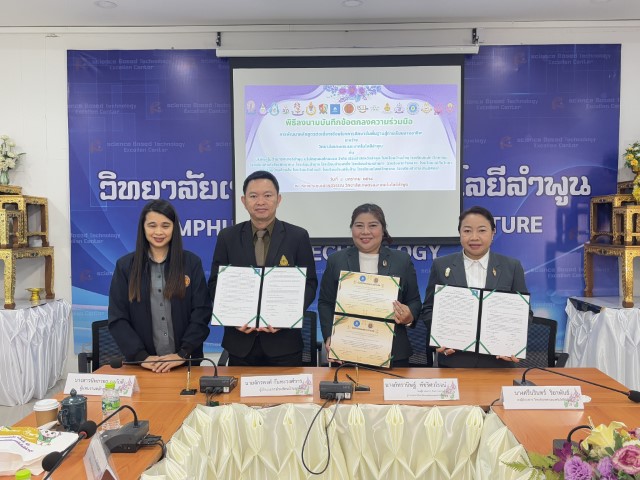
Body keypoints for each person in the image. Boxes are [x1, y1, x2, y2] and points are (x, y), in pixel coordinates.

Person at [208, 170, 318, 366]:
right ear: (243, 201)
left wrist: (286, 316)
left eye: (267, 195)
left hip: (284, 344)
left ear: (278, 199)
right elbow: (216, 284)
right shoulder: (227, 237)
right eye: (253, 196)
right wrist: (234, 318)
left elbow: (309, 284)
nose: (260, 202)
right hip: (240, 344)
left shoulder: (297, 236)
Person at [108, 199, 212, 373]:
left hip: (186, 363)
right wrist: (141, 356)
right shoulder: (125, 266)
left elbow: (201, 312)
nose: (158, 232)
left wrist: (182, 353)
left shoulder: (191, 263)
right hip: (143, 365)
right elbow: (118, 318)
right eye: (152, 225)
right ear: (143, 228)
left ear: (174, 228)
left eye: (165, 225)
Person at [420, 205, 530, 368]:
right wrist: (440, 336)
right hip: (454, 360)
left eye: (482, 230)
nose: (474, 237)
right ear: (459, 233)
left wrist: (512, 344)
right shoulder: (441, 265)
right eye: (467, 231)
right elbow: (429, 309)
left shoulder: (511, 267)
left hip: (498, 362)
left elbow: (524, 313)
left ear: (493, 233)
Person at [318, 203, 422, 367]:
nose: (365, 232)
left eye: (372, 226)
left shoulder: (401, 260)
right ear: (352, 229)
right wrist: (330, 336)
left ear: (383, 229)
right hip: (347, 352)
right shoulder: (336, 260)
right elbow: (325, 302)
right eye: (359, 226)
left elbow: (414, 301)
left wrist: (409, 316)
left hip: (393, 355)